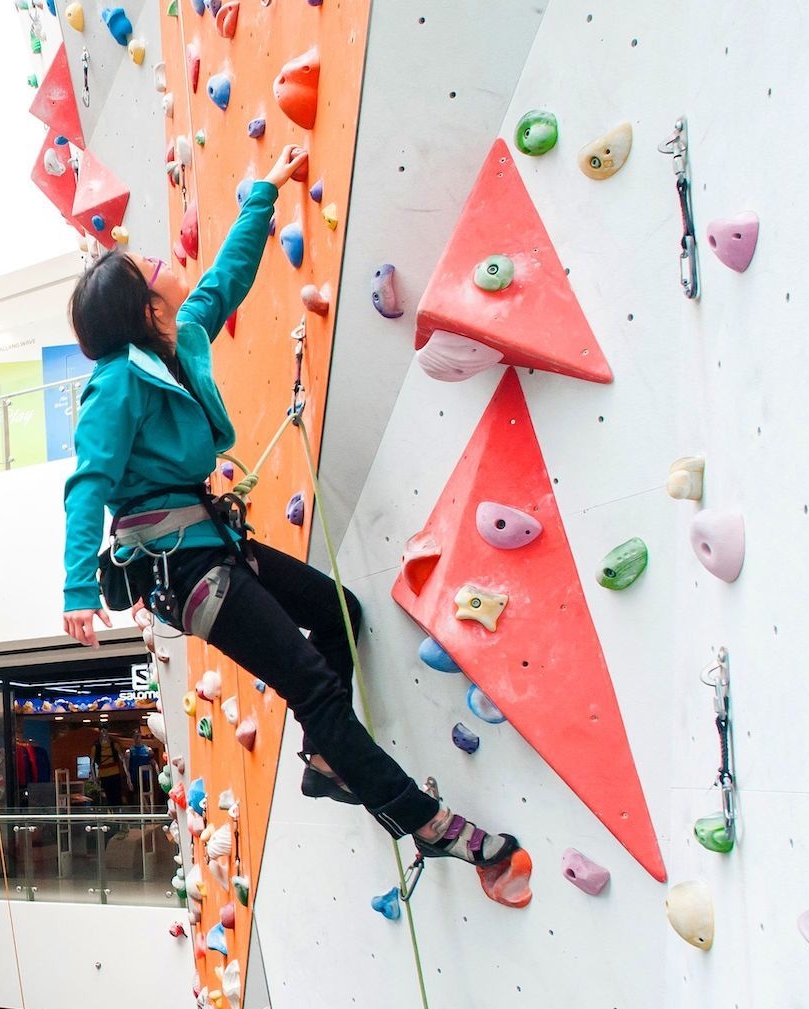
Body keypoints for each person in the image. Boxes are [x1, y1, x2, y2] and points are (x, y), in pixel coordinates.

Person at [57, 144, 518, 869]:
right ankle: (431, 825)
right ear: (144, 307)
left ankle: (327, 764)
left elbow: (223, 281)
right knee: (313, 687)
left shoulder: (178, 340)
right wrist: (78, 588)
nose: (159, 265)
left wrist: (262, 196)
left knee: (339, 613)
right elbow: (88, 483)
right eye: (150, 268)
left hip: (211, 547)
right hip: (184, 573)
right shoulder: (115, 384)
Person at [90, 728, 132, 807]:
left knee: (117, 797)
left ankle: (117, 814)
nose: (104, 735)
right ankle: (110, 815)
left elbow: (122, 760)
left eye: (105, 732)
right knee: (107, 798)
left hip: (115, 774)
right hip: (103, 775)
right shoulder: (95, 748)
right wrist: (94, 778)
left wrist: (128, 775)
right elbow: (92, 764)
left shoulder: (114, 745)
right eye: (102, 733)